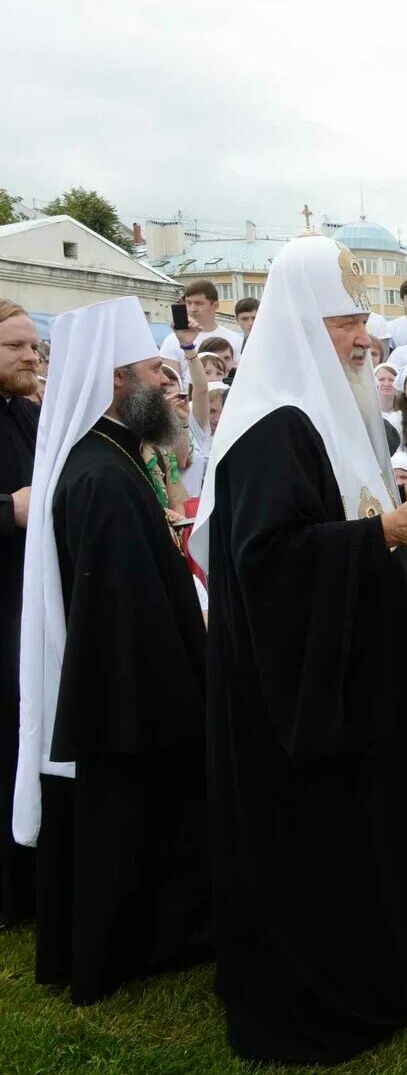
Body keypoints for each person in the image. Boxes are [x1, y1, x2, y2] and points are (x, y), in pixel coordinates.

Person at [190, 236, 407, 1062]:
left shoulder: (331, 404)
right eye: (344, 322)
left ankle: (397, 951)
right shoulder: (272, 426)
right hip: (299, 689)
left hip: (352, 666)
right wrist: (386, 532)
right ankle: (343, 973)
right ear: (304, 326)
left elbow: (337, 511)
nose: (363, 336)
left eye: (364, 319)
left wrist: (397, 502)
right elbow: (269, 563)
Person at [15, 295, 210, 1004]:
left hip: (134, 684)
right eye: (152, 372)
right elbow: (124, 608)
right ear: (113, 379)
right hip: (131, 694)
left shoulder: (117, 456)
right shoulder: (99, 473)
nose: (166, 384)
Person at [0, 297, 39, 927]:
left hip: (24, 602)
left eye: (35, 346)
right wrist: (8, 509)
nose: (33, 356)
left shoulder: (26, 413)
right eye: (17, 347)